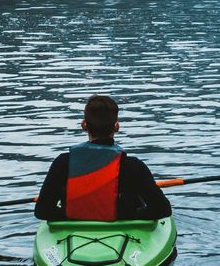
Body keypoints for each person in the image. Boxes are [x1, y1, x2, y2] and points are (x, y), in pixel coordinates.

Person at [34, 95, 172, 221]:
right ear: (116, 127)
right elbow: (162, 209)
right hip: (125, 231)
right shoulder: (133, 166)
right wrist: (129, 215)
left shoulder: (63, 163)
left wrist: (68, 215)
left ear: (84, 125)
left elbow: (42, 212)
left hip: (72, 231)